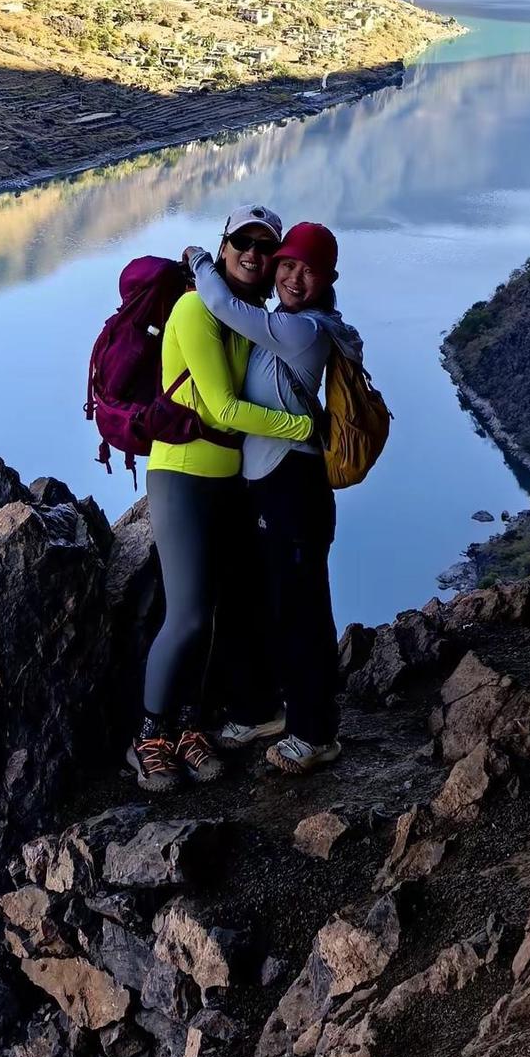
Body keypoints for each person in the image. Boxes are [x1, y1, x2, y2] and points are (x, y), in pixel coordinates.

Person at [129, 205, 314, 795]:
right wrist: (305, 429)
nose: (254, 255)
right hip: (182, 474)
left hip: (228, 480)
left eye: (265, 247)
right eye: (242, 243)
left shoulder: (244, 316)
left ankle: (188, 724)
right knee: (184, 612)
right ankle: (148, 736)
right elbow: (223, 409)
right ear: (225, 245)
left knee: (215, 610)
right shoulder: (194, 309)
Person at [186, 221, 360, 775]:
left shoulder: (306, 330)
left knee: (301, 609)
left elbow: (223, 306)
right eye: (287, 264)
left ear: (327, 279)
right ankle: (260, 709)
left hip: (295, 488)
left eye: (308, 270)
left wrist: (200, 261)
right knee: (253, 599)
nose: (293, 277)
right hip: (264, 484)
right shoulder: (283, 323)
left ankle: (315, 731)